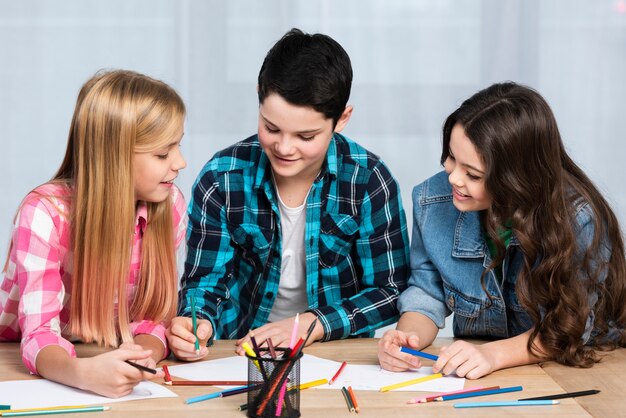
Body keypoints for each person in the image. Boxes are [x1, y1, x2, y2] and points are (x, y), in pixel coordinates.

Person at [166, 28, 410, 360]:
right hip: (238, 351)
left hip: (335, 352)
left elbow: (391, 291)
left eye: (305, 136)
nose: (284, 147)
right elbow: (203, 283)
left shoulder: (368, 180)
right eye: (271, 127)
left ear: (342, 119)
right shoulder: (222, 177)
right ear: (258, 97)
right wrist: (198, 324)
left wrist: (313, 324)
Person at [378, 82, 626, 379]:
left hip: (575, 369)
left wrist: (492, 355)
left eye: (473, 174)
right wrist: (406, 338)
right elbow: (427, 291)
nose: (454, 178)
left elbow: (567, 327)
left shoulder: (577, 220)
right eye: (451, 157)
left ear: (516, 179)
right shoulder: (432, 200)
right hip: (479, 371)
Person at [0, 70, 188, 397]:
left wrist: (140, 360)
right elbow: (39, 334)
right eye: (163, 153)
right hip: (18, 354)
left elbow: (150, 320)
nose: (180, 162)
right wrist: (83, 374)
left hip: (100, 346)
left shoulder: (169, 205)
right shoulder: (44, 213)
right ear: (113, 158)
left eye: (178, 146)